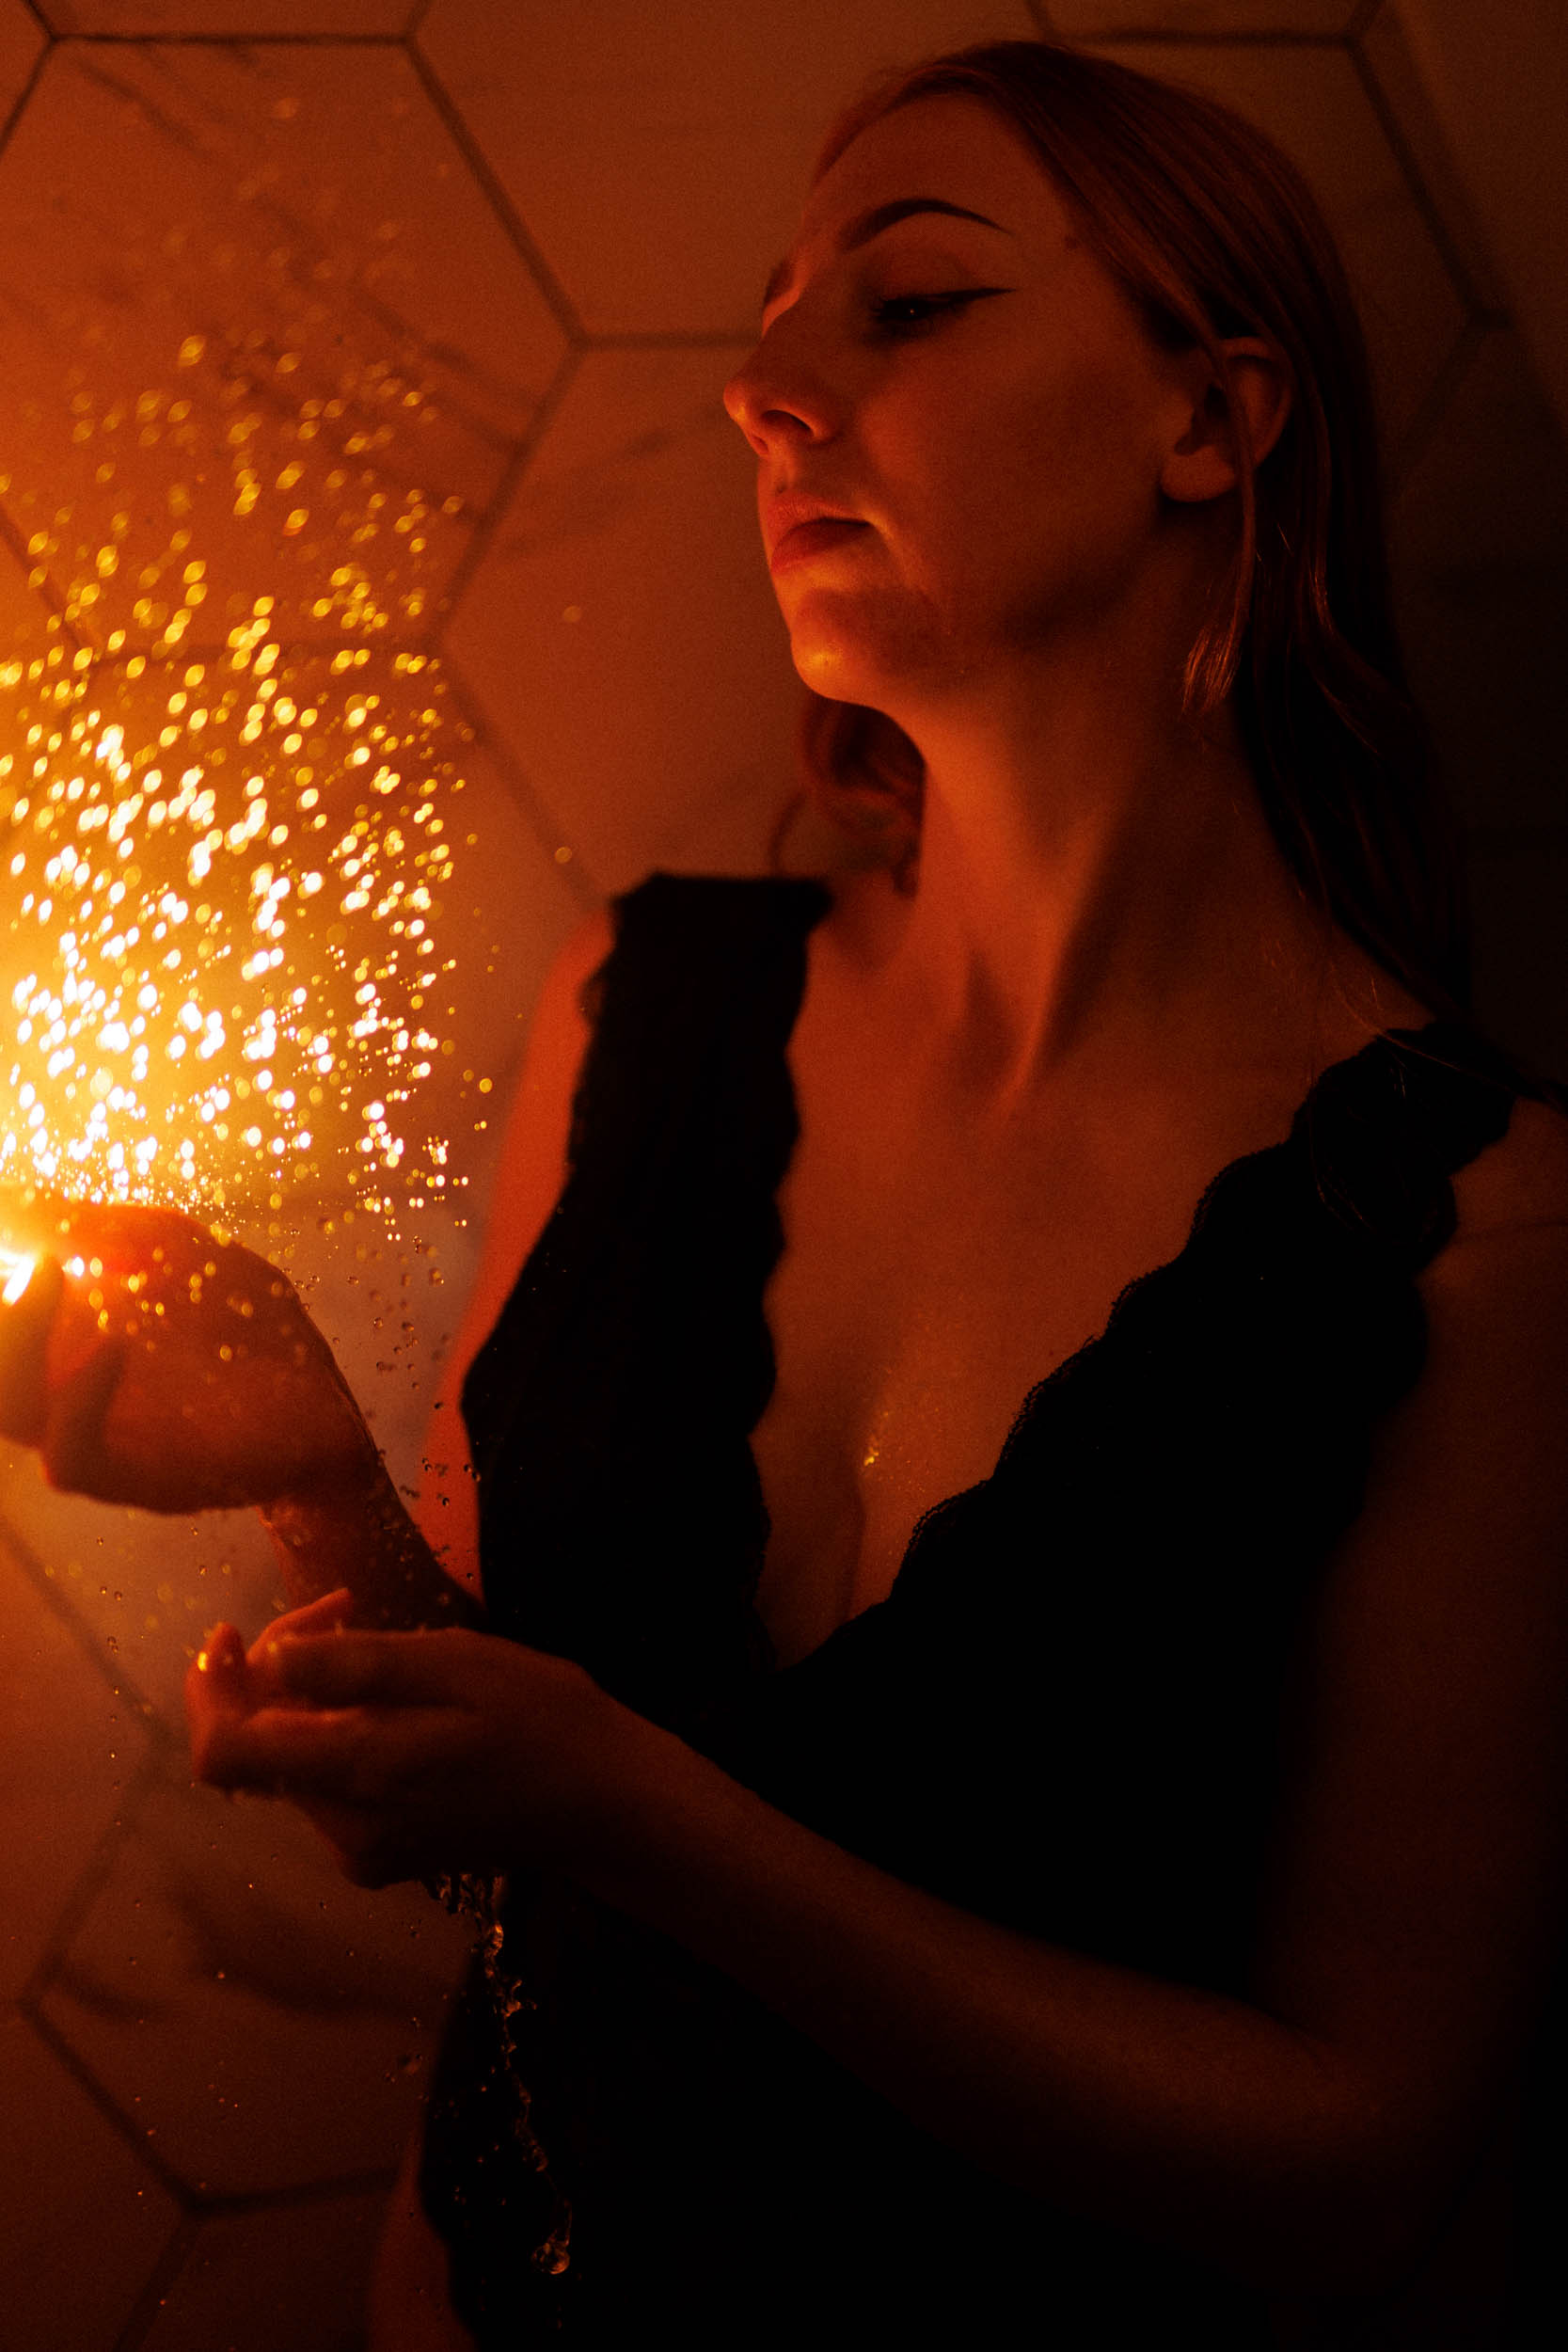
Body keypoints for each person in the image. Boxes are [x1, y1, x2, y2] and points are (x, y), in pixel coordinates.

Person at [3, 34, 1567, 2348]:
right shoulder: (648, 1011)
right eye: (767, 320)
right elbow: (507, 1820)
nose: (761, 391)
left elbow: (1349, 2177)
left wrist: (654, 1814)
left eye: (906, 304)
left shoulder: (1478, 1246)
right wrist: (319, 1482)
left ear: (1213, 423)